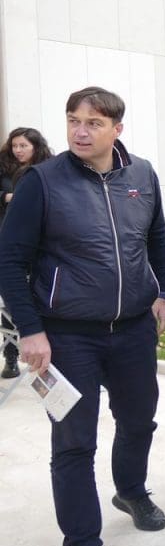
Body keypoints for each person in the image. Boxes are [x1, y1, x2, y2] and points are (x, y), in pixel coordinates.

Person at [0, 87, 165, 546]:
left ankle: (131, 490)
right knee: (74, 442)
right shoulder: (42, 181)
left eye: (93, 123)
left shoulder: (142, 175)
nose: (80, 131)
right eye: (73, 120)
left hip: (134, 329)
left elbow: (157, 237)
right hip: (68, 334)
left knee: (139, 419)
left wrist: (162, 290)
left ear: (117, 129)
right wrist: (31, 330)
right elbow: (9, 259)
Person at [0, 126, 54, 378]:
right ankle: (10, 357)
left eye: (23, 146)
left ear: (35, 146)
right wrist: (5, 197)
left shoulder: (48, 169)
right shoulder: (4, 168)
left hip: (39, 245)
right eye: (15, 145)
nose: (18, 150)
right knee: (12, 300)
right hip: (9, 239)